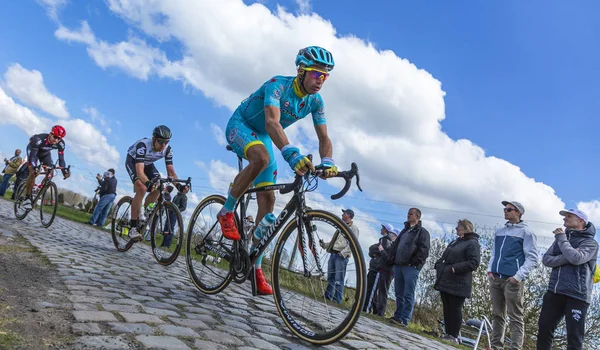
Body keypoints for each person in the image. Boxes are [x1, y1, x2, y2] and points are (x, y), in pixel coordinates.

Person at [219, 46, 338, 295]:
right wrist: (290, 153)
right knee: (261, 158)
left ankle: (256, 268)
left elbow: (324, 135)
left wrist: (327, 160)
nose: (320, 81)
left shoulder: (315, 101)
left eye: (325, 76)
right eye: (317, 74)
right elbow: (272, 122)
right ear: (301, 70)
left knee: (268, 201)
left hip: (262, 135)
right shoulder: (278, 85)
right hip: (241, 124)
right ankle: (226, 211)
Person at [537, 209, 598, 350]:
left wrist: (562, 240)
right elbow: (546, 260)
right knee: (544, 332)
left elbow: (577, 258)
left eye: (569, 216)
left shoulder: (591, 243)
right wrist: (568, 256)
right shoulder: (561, 239)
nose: (565, 219)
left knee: (574, 338)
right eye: (565, 216)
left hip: (577, 295)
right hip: (554, 291)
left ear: (581, 221)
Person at [488, 201, 539, 350]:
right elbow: (494, 253)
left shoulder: (527, 232)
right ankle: (496, 346)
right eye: (504, 209)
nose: (505, 211)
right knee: (497, 314)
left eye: (509, 209)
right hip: (495, 278)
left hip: (512, 281)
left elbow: (533, 258)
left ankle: (514, 348)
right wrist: (490, 270)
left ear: (518, 213)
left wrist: (518, 276)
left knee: (515, 317)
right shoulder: (499, 231)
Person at [125, 125, 181, 241]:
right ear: (154, 139)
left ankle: (143, 212)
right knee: (142, 187)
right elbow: (140, 172)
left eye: (166, 142)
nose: (163, 145)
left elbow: (171, 173)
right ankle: (133, 228)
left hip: (148, 165)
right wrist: (148, 183)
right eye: (161, 142)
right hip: (133, 161)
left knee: (160, 185)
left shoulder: (167, 150)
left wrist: (180, 186)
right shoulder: (143, 145)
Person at [434, 219, 481, 344]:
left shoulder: (472, 243)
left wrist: (455, 268)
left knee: (455, 308)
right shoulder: (455, 242)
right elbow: (445, 257)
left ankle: (453, 335)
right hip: (446, 279)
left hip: (459, 282)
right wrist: (438, 266)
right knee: (447, 307)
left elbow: (474, 262)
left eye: (458, 227)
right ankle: (447, 333)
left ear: (466, 228)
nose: (456, 229)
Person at [388, 208, 430, 327]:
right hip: (398, 265)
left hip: (411, 267)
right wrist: (392, 258)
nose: (408, 215)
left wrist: (414, 262)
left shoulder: (422, 232)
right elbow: (396, 245)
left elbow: (424, 250)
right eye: (408, 213)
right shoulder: (405, 231)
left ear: (417, 217)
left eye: (411, 213)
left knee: (408, 293)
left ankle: (404, 319)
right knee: (399, 293)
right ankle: (398, 316)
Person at [22, 125, 70, 209]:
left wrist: (64, 171)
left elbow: (61, 160)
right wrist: (35, 167)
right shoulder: (38, 139)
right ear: (50, 134)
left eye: (59, 138)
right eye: (55, 137)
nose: (56, 140)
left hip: (45, 154)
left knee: (50, 173)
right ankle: (27, 198)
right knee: (33, 172)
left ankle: (38, 192)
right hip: (34, 152)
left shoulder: (61, 144)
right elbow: (33, 157)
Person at [320, 209, 360, 304]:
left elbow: (353, 243)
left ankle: (337, 299)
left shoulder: (353, 228)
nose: (342, 214)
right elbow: (334, 242)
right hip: (333, 253)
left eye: (344, 213)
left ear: (349, 216)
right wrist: (325, 245)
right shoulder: (341, 227)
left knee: (339, 278)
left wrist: (343, 253)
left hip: (341, 256)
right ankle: (328, 295)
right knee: (331, 277)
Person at [364, 223, 394, 314]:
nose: (381, 229)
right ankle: (373, 309)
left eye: (382, 228)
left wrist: (377, 252)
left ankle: (366, 308)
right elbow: (371, 249)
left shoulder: (386, 241)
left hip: (377, 268)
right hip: (373, 267)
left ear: (385, 229)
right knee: (370, 289)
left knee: (371, 290)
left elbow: (381, 251)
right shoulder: (382, 240)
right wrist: (376, 252)